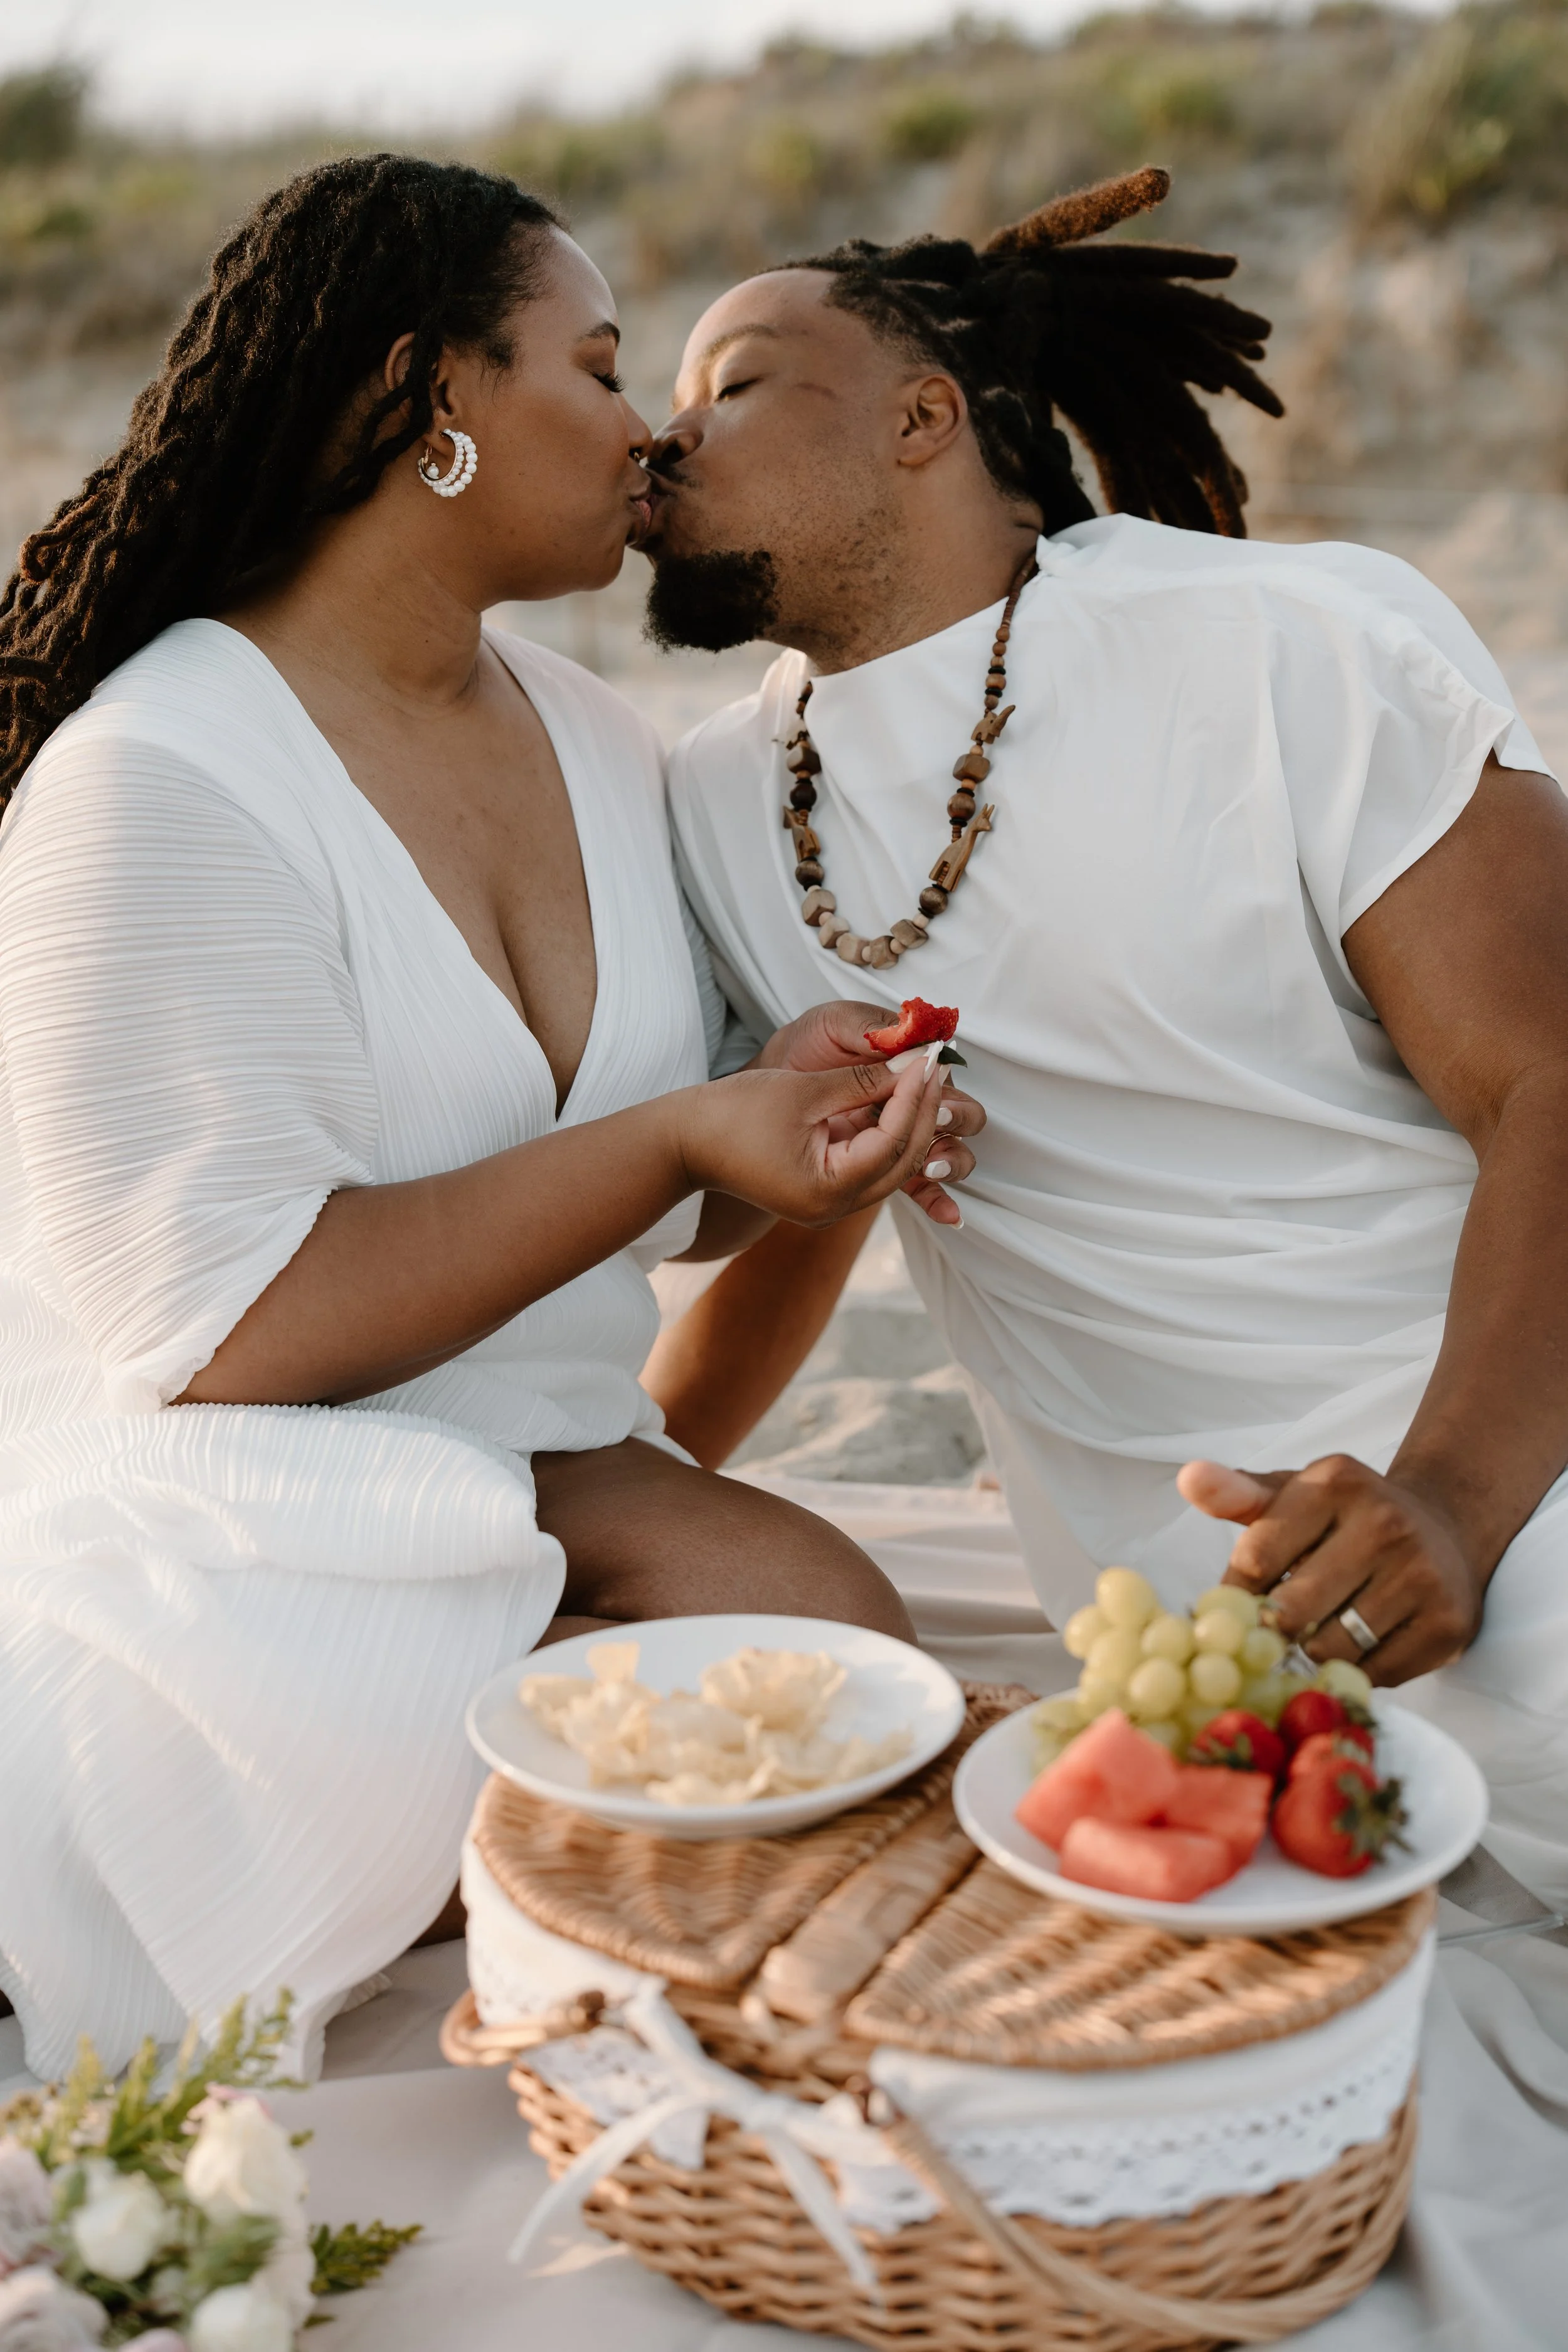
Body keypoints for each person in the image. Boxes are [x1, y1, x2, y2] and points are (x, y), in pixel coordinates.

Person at [0, 154, 985, 2076]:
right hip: (241, 1519)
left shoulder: (606, 747)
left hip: (533, 1482)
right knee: (708, 1659)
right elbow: (225, 1326)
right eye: (600, 363)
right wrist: (676, 1142)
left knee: (835, 1662)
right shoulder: (162, 779)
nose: (649, 429)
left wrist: (780, 1119)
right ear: (424, 398)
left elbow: (670, 1174)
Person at [652, 166, 1568, 1910]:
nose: (665, 437)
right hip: (1169, 1637)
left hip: (1509, 1462)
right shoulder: (702, 799)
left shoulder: (1276, 646)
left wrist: (1448, 1496)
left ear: (924, 413)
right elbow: (777, 1201)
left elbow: (1551, 1071)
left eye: (736, 380)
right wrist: (642, 1474)